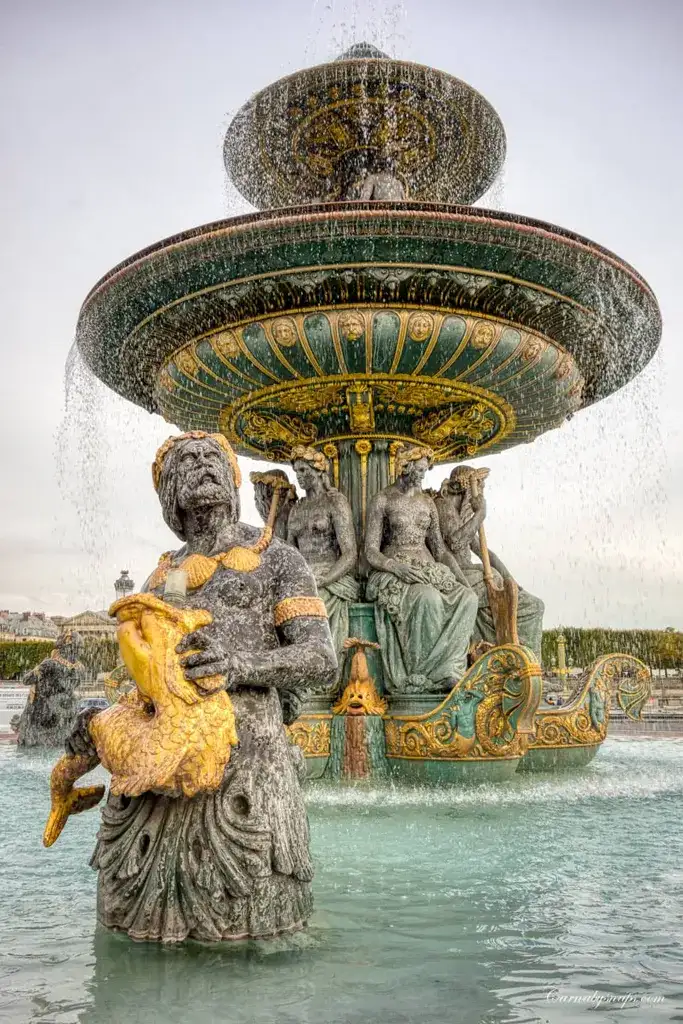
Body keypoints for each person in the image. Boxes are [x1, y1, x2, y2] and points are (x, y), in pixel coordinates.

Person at [66, 430, 336, 943]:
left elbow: (321, 658)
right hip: (162, 766)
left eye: (214, 459)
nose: (203, 466)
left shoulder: (276, 558)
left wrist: (239, 665)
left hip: (244, 752)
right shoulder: (159, 576)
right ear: (169, 493)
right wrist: (103, 723)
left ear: (232, 481)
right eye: (187, 462)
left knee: (249, 936)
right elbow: (143, 679)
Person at [364, 445, 478, 693]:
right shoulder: (383, 499)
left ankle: (450, 668)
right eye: (419, 470)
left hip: (428, 568)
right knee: (429, 599)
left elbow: (439, 550)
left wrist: (463, 582)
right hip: (396, 570)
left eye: (425, 470)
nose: (423, 475)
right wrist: (394, 567)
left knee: (468, 599)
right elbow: (370, 550)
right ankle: (426, 673)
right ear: (404, 467)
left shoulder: (427, 502)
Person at [435, 465, 544, 659]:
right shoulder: (443, 506)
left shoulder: (461, 514)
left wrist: (513, 582)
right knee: (496, 589)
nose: (480, 495)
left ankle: (530, 664)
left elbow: (484, 552)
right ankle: (501, 657)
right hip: (455, 574)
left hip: (474, 574)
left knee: (535, 606)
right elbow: (456, 541)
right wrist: (480, 515)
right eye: (479, 488)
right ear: (463, 487)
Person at [286, 446, 360, 665]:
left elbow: (350, 553)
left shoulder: (335, 502)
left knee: (310, 607)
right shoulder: (296, 509)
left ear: (319, 471)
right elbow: (290, 554)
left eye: (304, 471)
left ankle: (318, 669)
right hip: (303, 575)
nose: (299, 477)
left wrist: (325, 579)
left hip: (331, 575)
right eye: (296, 471)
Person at [250, 468, 298, 541]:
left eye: (258, 497)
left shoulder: (284, 518)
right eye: (256, 498)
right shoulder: (284, 516)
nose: (257, 501)